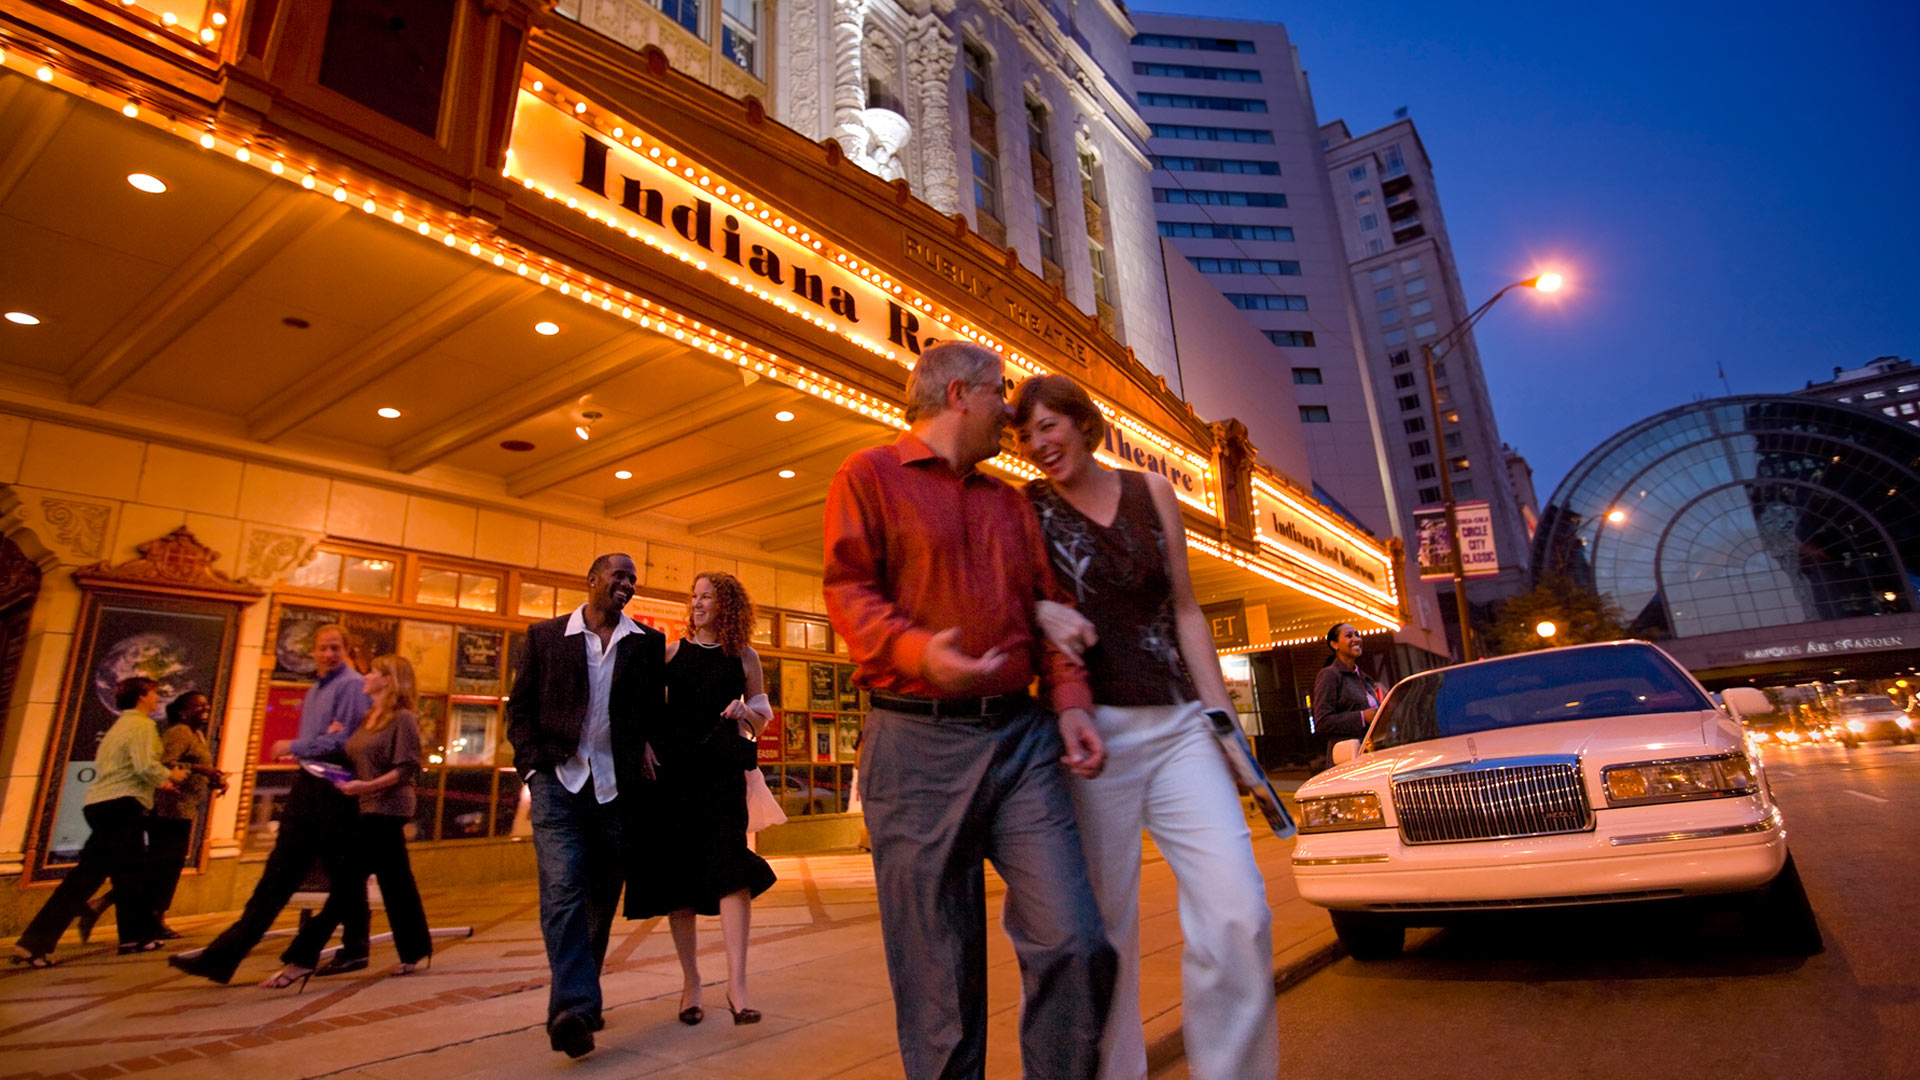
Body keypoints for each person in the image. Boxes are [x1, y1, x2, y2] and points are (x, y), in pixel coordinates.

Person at [823, 339, 1117, 1080]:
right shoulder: (868, 475)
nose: (1012, 410)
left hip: (1021, 741)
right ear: (959, 393)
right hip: (913, 743)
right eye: (1002, 394)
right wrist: (922, 652)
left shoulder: (1009, 503)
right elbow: (849, 592)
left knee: (1075, 939)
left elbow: (1050, 608)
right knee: (938, 984)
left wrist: (1073, 702)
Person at [1014, 374, 1279, 1080]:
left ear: (1081, 422)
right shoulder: (1026, 510)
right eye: (1026, 433)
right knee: (1107, 935)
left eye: (1049, 425)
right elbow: (1014, 602)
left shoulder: (1151, 492)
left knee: (1239, 915)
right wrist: (1041, 614)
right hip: (1090, 737)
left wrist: (1225, 724)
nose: (1040, 442)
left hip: (1182, 725)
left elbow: (1186, 611)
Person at [506, 553, 665, 1058]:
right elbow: (521, 710)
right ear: (592, 579)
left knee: (599, 899)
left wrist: (643, 741)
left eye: (633, 579)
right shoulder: (546, 637)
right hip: (559, 781)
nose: (628, 584)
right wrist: (533, 767)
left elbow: (650, 712)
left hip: (616, 790)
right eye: (619, 576)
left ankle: (580, 1006)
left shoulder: (646, 643)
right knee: (563, 886)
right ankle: (572, 1008)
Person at [171, 624, 371, 985]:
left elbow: (348, 740)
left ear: (347, 650)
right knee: (284, 874)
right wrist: (310, 744)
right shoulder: (317, 690)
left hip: (335, 789)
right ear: (313, 651)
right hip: (309, 784)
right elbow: (326, 738)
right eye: (323, 647)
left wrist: (296, 746)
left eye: (335, 648)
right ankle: (223, 956)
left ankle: (355, 948)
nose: (328, 654)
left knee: (339, 874)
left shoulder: (352, 686)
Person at [630, 571, 777, 1026]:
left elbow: (763, 719)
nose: (696, 604)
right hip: (675, 778)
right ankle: (691, 982)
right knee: (679, 880)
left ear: (726, 604)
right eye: (694, 597)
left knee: (733, 872)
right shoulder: (671, 652)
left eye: (706, 597)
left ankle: (737, 985)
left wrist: (745, 711)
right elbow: (648, 712)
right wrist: (646, 745)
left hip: (721, 776)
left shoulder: (745, 657)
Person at [269, 655, 433, 985]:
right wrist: (332, 738)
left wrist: (366, 786)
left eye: (374, 672)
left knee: (347, 883)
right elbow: (350, 754)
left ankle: (302, 957)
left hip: (387, 810)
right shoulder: (370, 718)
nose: (367, 676)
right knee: (396, 882)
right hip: (365, 806)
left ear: (388, 680)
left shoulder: (402, 719)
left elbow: (406, 768)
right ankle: (415, 950)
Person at [13, 677, 188, 967]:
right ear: (142, 695)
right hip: (121, 807)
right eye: (155, 693)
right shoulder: (142, 726)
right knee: (87, 878)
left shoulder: (121, 726)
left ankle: (135, 939)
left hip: (104, 804)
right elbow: (145, 766)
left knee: (129, 874)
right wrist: (171, 777)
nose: (158, 698)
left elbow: (126, 766)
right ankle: (33, 944)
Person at [78, 691, 227, 945]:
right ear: (182, 711)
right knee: (163, 867)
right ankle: (151, 920)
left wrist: (212, 780)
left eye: (206, 704)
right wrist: (201, 769)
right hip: (167, 809)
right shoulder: (178, 733)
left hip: (184, 808)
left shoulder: (197, 735)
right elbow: (164, 764)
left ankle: (109, 907)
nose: (205, 708)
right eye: (198, 705)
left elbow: (188, 769)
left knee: (164, 867)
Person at [1311, 623, 1385, 763]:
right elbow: (1322, 721)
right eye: (1348, 636)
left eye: (1357, 634)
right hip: (1347, 759)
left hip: (1370, 754)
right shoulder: (1329, 675)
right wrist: (1362, 717)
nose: (1356, 639)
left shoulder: (1364, 678)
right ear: (1334, 645)